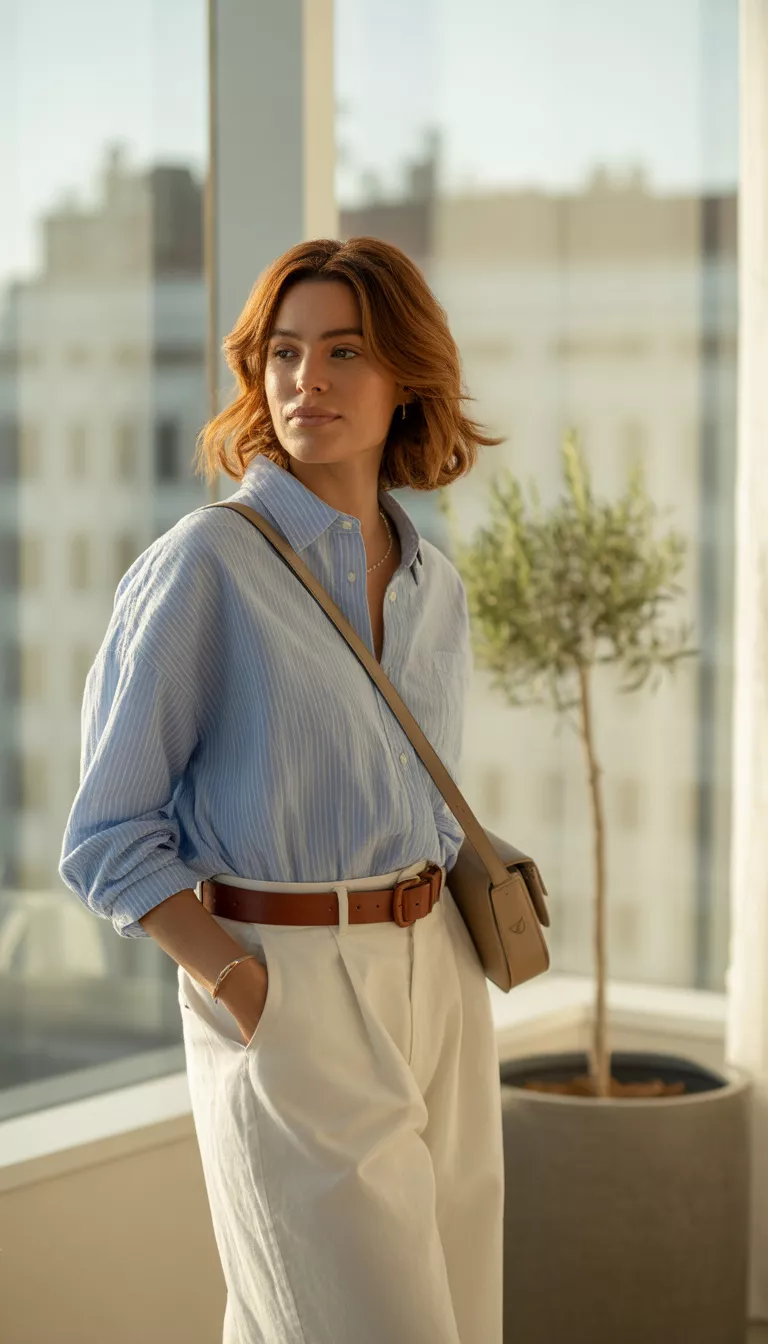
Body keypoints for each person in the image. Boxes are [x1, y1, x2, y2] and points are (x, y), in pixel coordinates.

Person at [59, 236, 507, 1344]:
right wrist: (248, 991)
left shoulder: (431, 582)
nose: (310, 379)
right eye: (286, 352)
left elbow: (433, 807)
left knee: (454, 1312)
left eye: (346, 351)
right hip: (290, 982)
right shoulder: (205, 564)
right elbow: (108, 833)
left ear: (407, 375)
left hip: (440, 979)